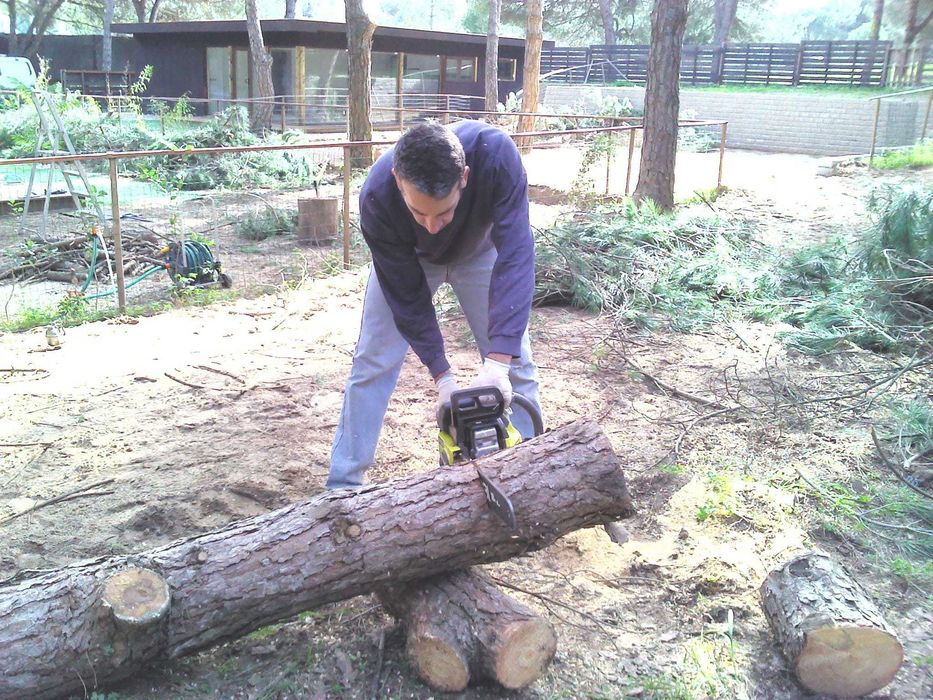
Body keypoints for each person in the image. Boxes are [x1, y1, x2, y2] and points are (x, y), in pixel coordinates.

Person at [326, 119, 542, 490]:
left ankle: (531, 472)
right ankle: (344, 485)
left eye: (443, 212)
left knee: (516, 363)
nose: (431, 225)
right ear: (398, 180)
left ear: (465, 178)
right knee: (372, 361)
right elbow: (406, 298)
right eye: (418, 213)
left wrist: (498, 361)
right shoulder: (377, 195)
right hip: (411, 260)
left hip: (480, 253)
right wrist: (443, 378)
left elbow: (517, 256)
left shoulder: (497, 156)